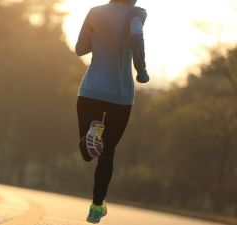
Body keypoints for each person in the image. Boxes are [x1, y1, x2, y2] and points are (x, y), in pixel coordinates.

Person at [75, 0, 149, 223]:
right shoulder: (137, 13)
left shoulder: (94, 12)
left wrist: (100, 38)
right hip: (120, 95)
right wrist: (141, 69)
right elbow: (136, 35)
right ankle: (97, 207)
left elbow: (80, 48)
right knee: (106, 153)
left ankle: (91, 135)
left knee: (89, 152)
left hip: (90, 91)